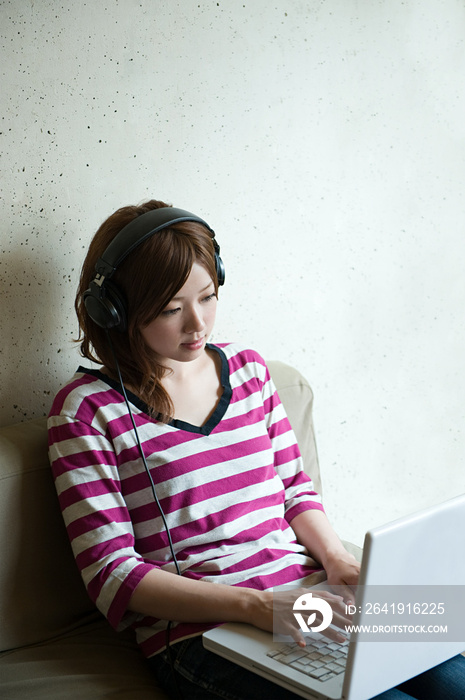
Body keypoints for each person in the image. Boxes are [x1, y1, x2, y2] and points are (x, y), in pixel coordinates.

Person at [48, 199, 465, 700]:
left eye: (207, 297)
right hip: (205, 634)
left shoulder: (248, 369)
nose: (197, 325)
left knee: (453, 674)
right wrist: (258, 607)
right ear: (114, 311)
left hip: (311, 597)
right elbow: (112, 574)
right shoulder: (85, 412)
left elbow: (293, 489)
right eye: (170, 310)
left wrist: (337, 561)